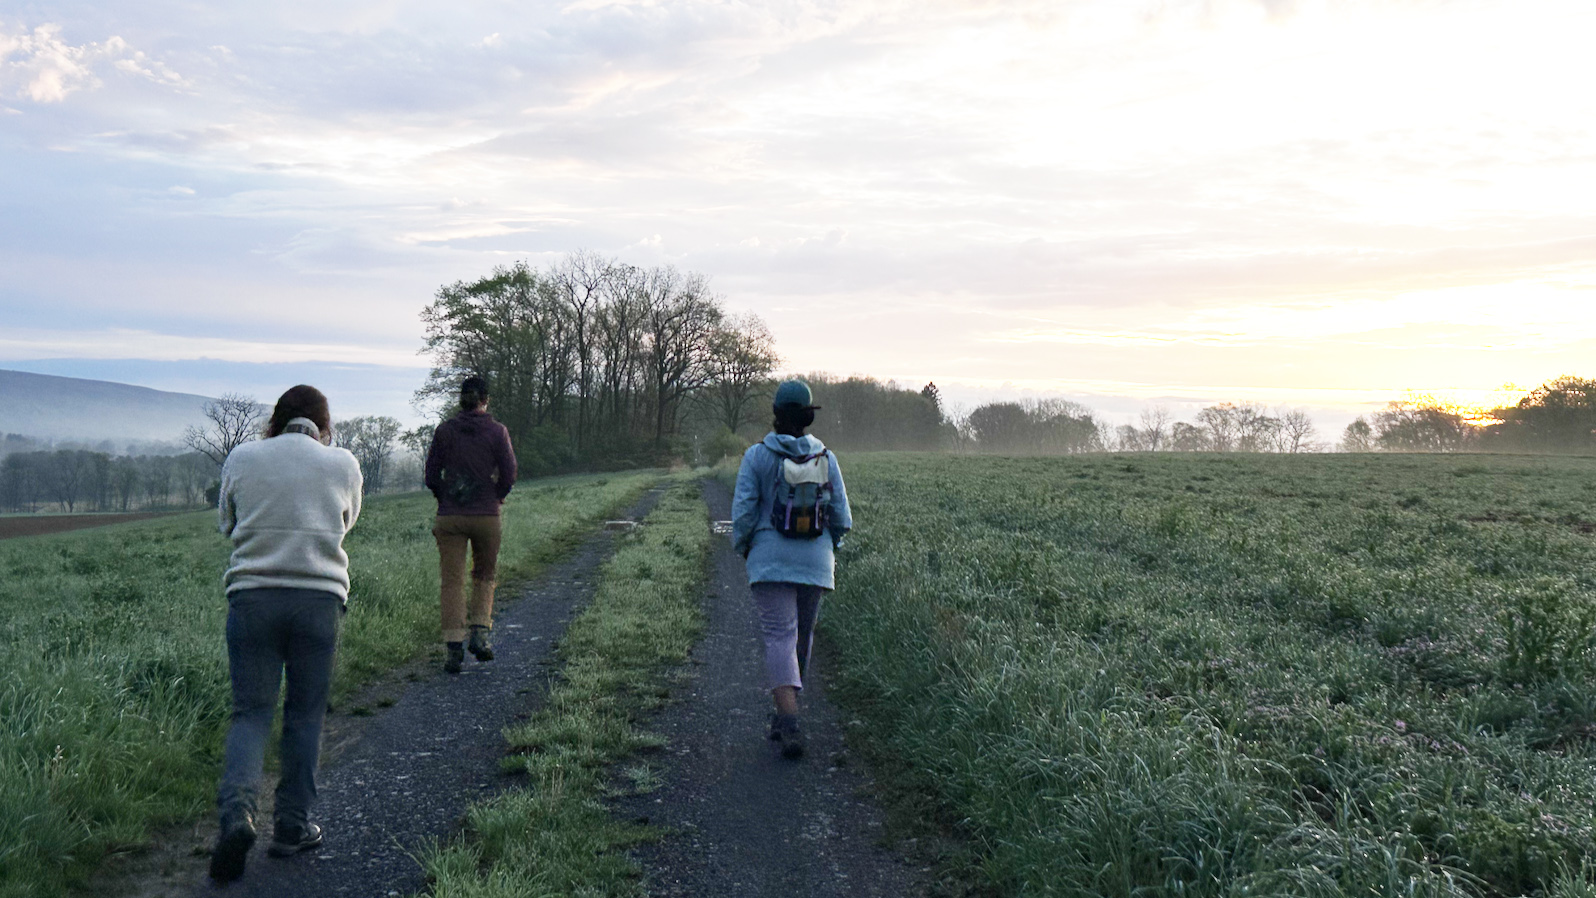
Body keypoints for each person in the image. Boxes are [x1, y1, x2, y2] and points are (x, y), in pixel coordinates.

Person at [211, 385, 362, 883]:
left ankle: (237, 814)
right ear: (324, 425)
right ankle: (292, 828)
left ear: (275, 420)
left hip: (252, 600)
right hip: (318, 603)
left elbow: (225, 524)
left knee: (250, 713)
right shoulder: (343, 464)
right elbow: (346, 524)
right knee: (304, 716)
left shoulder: (243, 457)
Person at [731, 379, 852, 759]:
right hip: (816, 563)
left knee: (779, 636)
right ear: (807, 418)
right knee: (802, 638)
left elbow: (744, 513)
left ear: (776, 416)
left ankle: (789, 719)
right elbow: (841, 517)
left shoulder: (756, 456)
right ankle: (787, 711)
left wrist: (746, 547)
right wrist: (829, 547)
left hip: (770, 561)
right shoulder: (826, 458)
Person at [424, 375, 517, 674]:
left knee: (452, 581)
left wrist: (445, 498)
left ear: (460, 400)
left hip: (450, 516)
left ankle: (453, 647)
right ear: (486, 400)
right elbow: (509, 473)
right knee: (484, 575)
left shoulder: (444, 432)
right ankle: (479, 634)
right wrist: (496, 497)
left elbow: (430, 476)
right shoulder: (497, 432)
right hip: (486, 516)